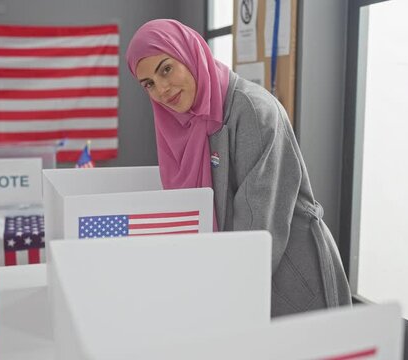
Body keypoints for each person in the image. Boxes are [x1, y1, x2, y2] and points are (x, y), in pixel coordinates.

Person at [126, 19, 351, 317]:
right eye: (149, 84)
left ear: (189, 53)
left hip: (290, 282)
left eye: (166, 69)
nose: (162, 89)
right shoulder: (183, 123)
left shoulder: (254, 113)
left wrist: (217, 299)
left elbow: (256, 231)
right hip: (236, 278)